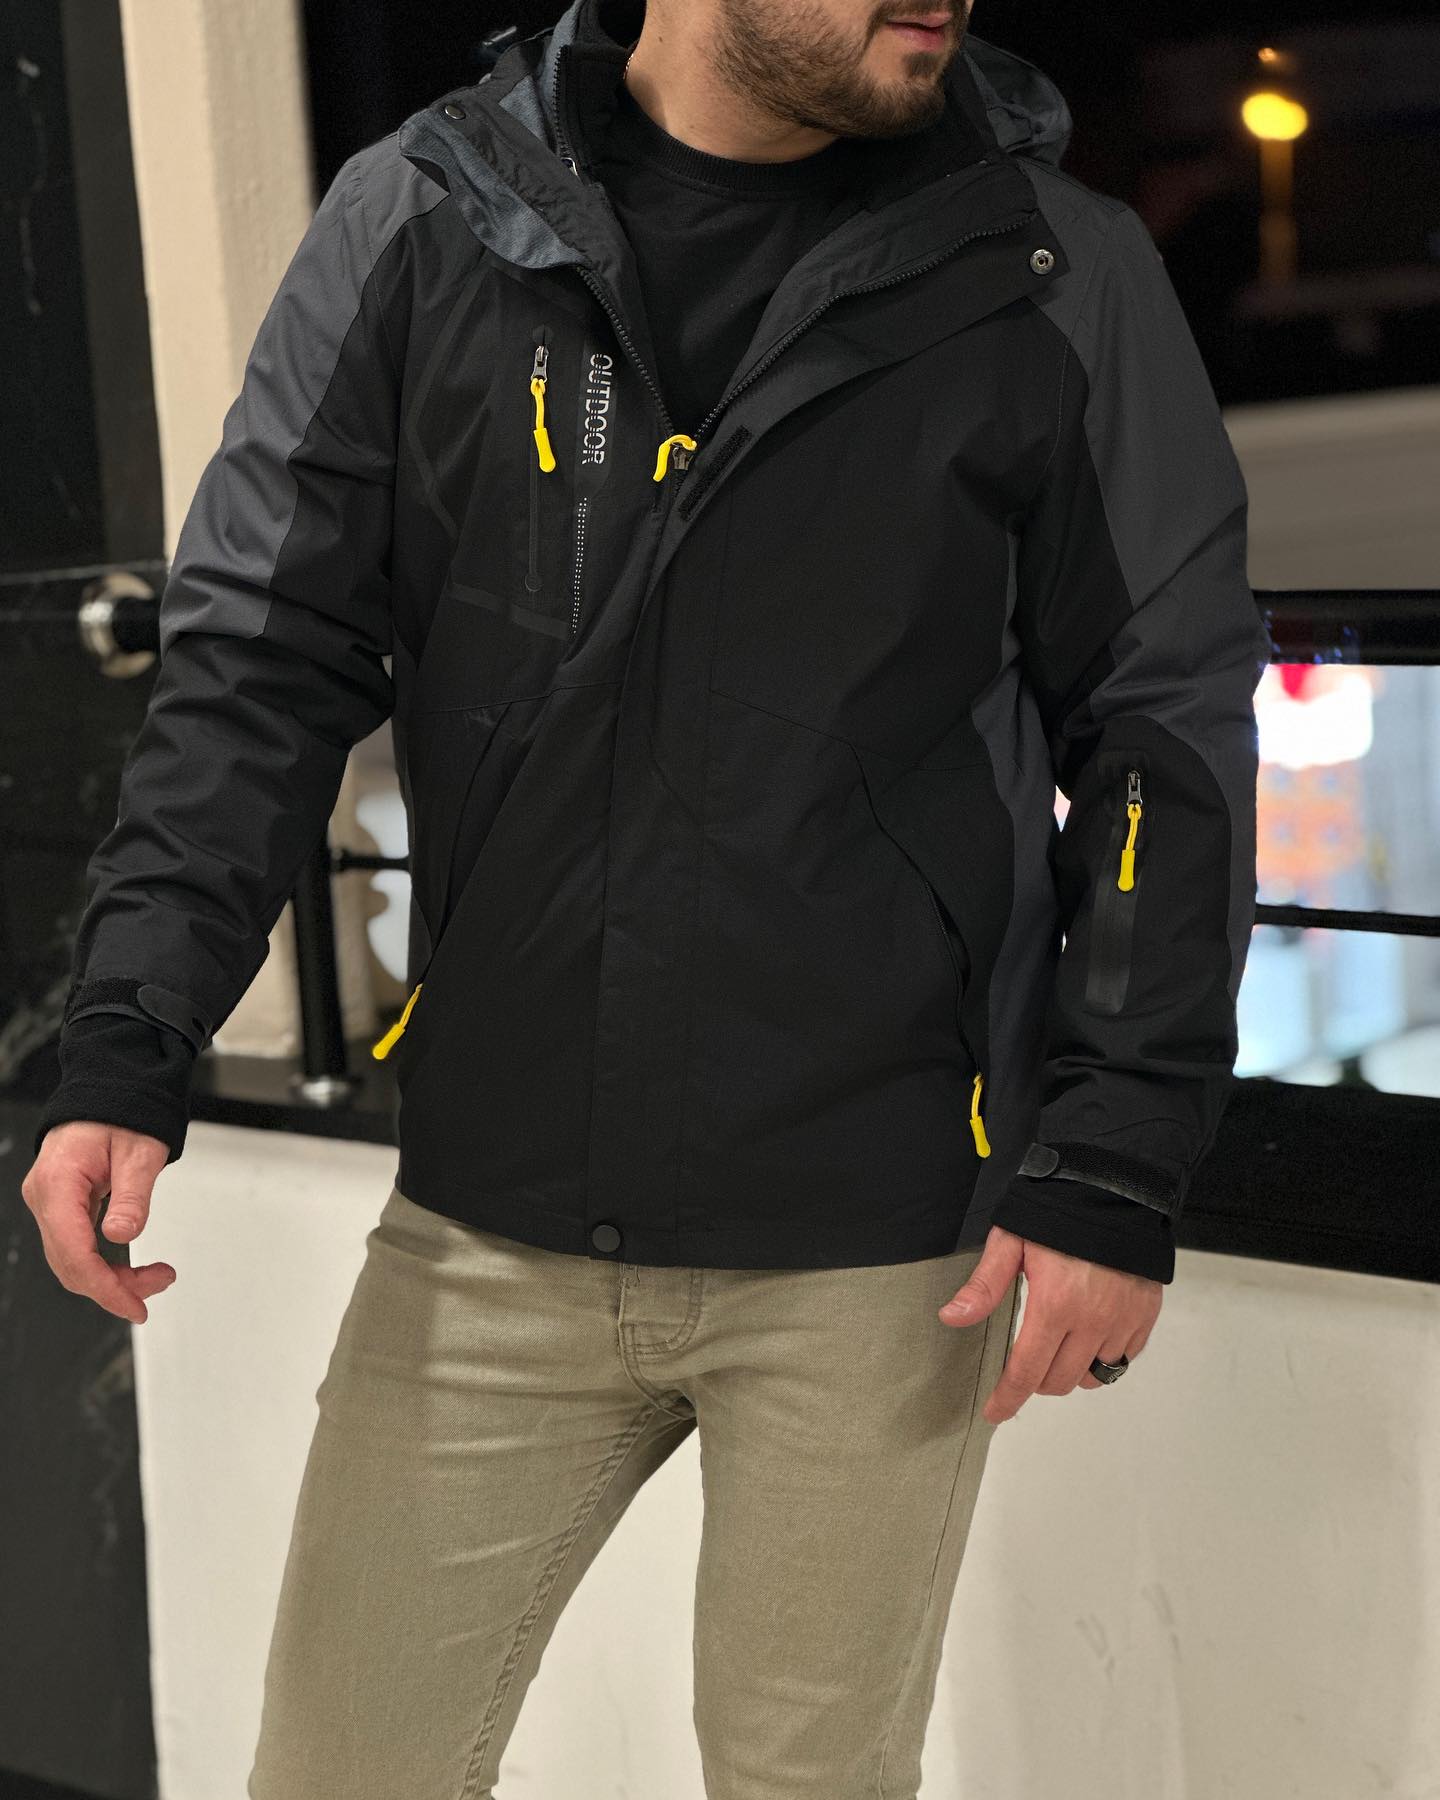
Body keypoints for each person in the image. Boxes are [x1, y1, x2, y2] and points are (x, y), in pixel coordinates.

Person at [22, 0, 1270, 1792]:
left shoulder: (1052, 272)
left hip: (879, 1248)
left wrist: (1118, 1151)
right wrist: (132, 1030)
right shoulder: (429, 221)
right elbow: (259, 662)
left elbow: (1164, 721)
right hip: (491, 1227)